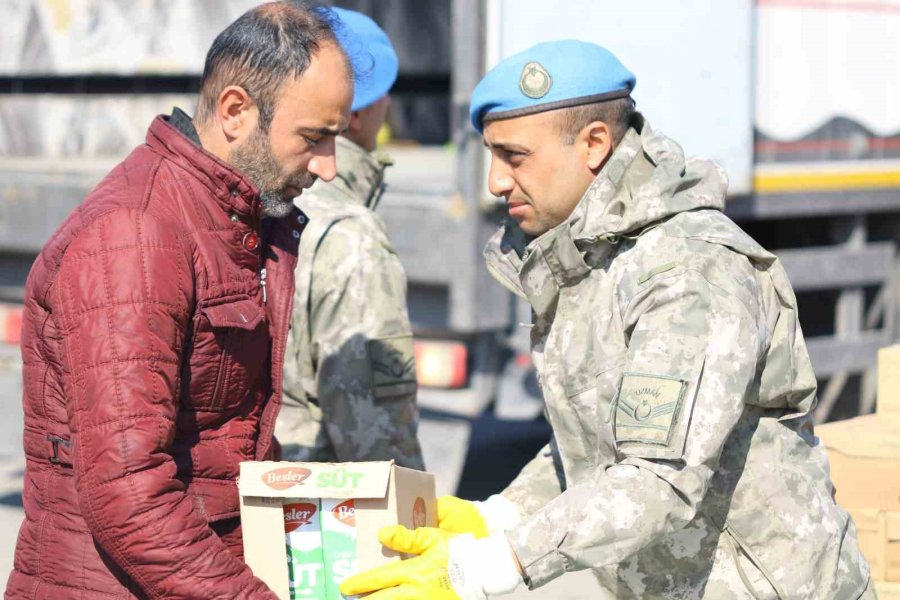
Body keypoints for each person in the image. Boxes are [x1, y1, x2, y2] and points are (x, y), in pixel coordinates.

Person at [339, 40, 874, 600]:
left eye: (514, 157)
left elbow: (656, 478)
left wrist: (485, 567)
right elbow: (599, 443)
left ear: (594, 144)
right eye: (490, 156)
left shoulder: (688, 271)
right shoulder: (588, 259)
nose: (495, 181)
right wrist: (497, 515)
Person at [5, 3, 352, 598]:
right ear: (236, 111)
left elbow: (227, 439)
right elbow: (127, 490)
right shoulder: (135, 237)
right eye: (313, 138)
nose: (328, 167)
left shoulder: (235, 220)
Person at [278, 7, 424, 470]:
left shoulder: (254, 202)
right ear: (356, 112)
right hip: (319, 524)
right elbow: (378, 441)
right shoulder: (350, 235)